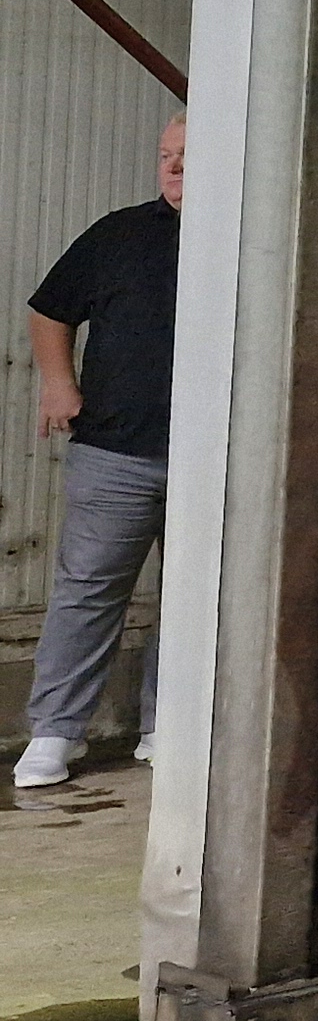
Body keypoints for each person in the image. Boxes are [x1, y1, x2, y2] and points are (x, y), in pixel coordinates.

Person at [22, 114, 180, 791]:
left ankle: (168, 727)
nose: (173, 167)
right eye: (166, 154)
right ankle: (54, 733)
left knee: (195, 596)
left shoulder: (255, 237)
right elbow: (50, 309)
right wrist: (58, 384)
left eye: (188, 155)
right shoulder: (120, 233)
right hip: (116, 451)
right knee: (88, 592)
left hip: (222, 458)